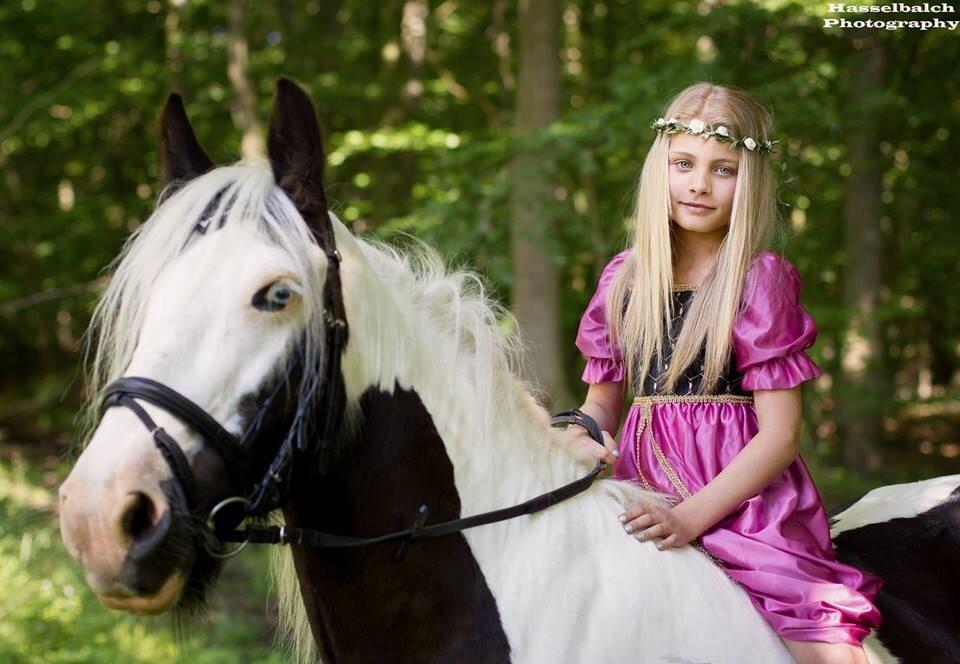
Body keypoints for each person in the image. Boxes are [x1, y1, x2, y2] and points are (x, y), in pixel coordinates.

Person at [564, 82, 883, 664]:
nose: (699, 184)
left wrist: (689, 518)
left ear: (750, 182)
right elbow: (603, 400)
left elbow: (782, 435)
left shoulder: (759, 279)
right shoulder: (624, 277)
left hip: (746, 503)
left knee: (821, 647)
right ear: (659, 169)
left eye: (723, 169)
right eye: (683, 164)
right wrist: (578, 430)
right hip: (642, 485)